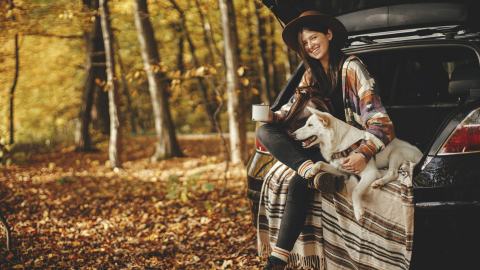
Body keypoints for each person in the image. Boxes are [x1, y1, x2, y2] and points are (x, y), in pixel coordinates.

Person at [256, 11, 396, 270]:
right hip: (320, 148)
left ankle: (276, 262)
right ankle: (310, 170)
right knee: (264, 131)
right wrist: (273, 116)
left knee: (299, 184)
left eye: (314, 38)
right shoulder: (310, 74)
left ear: (329, 35)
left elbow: (381, 123)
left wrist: (363, 153)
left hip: (348, 149)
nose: (310, 46)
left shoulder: (353, 68)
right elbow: (293, 110)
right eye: (305, 43)